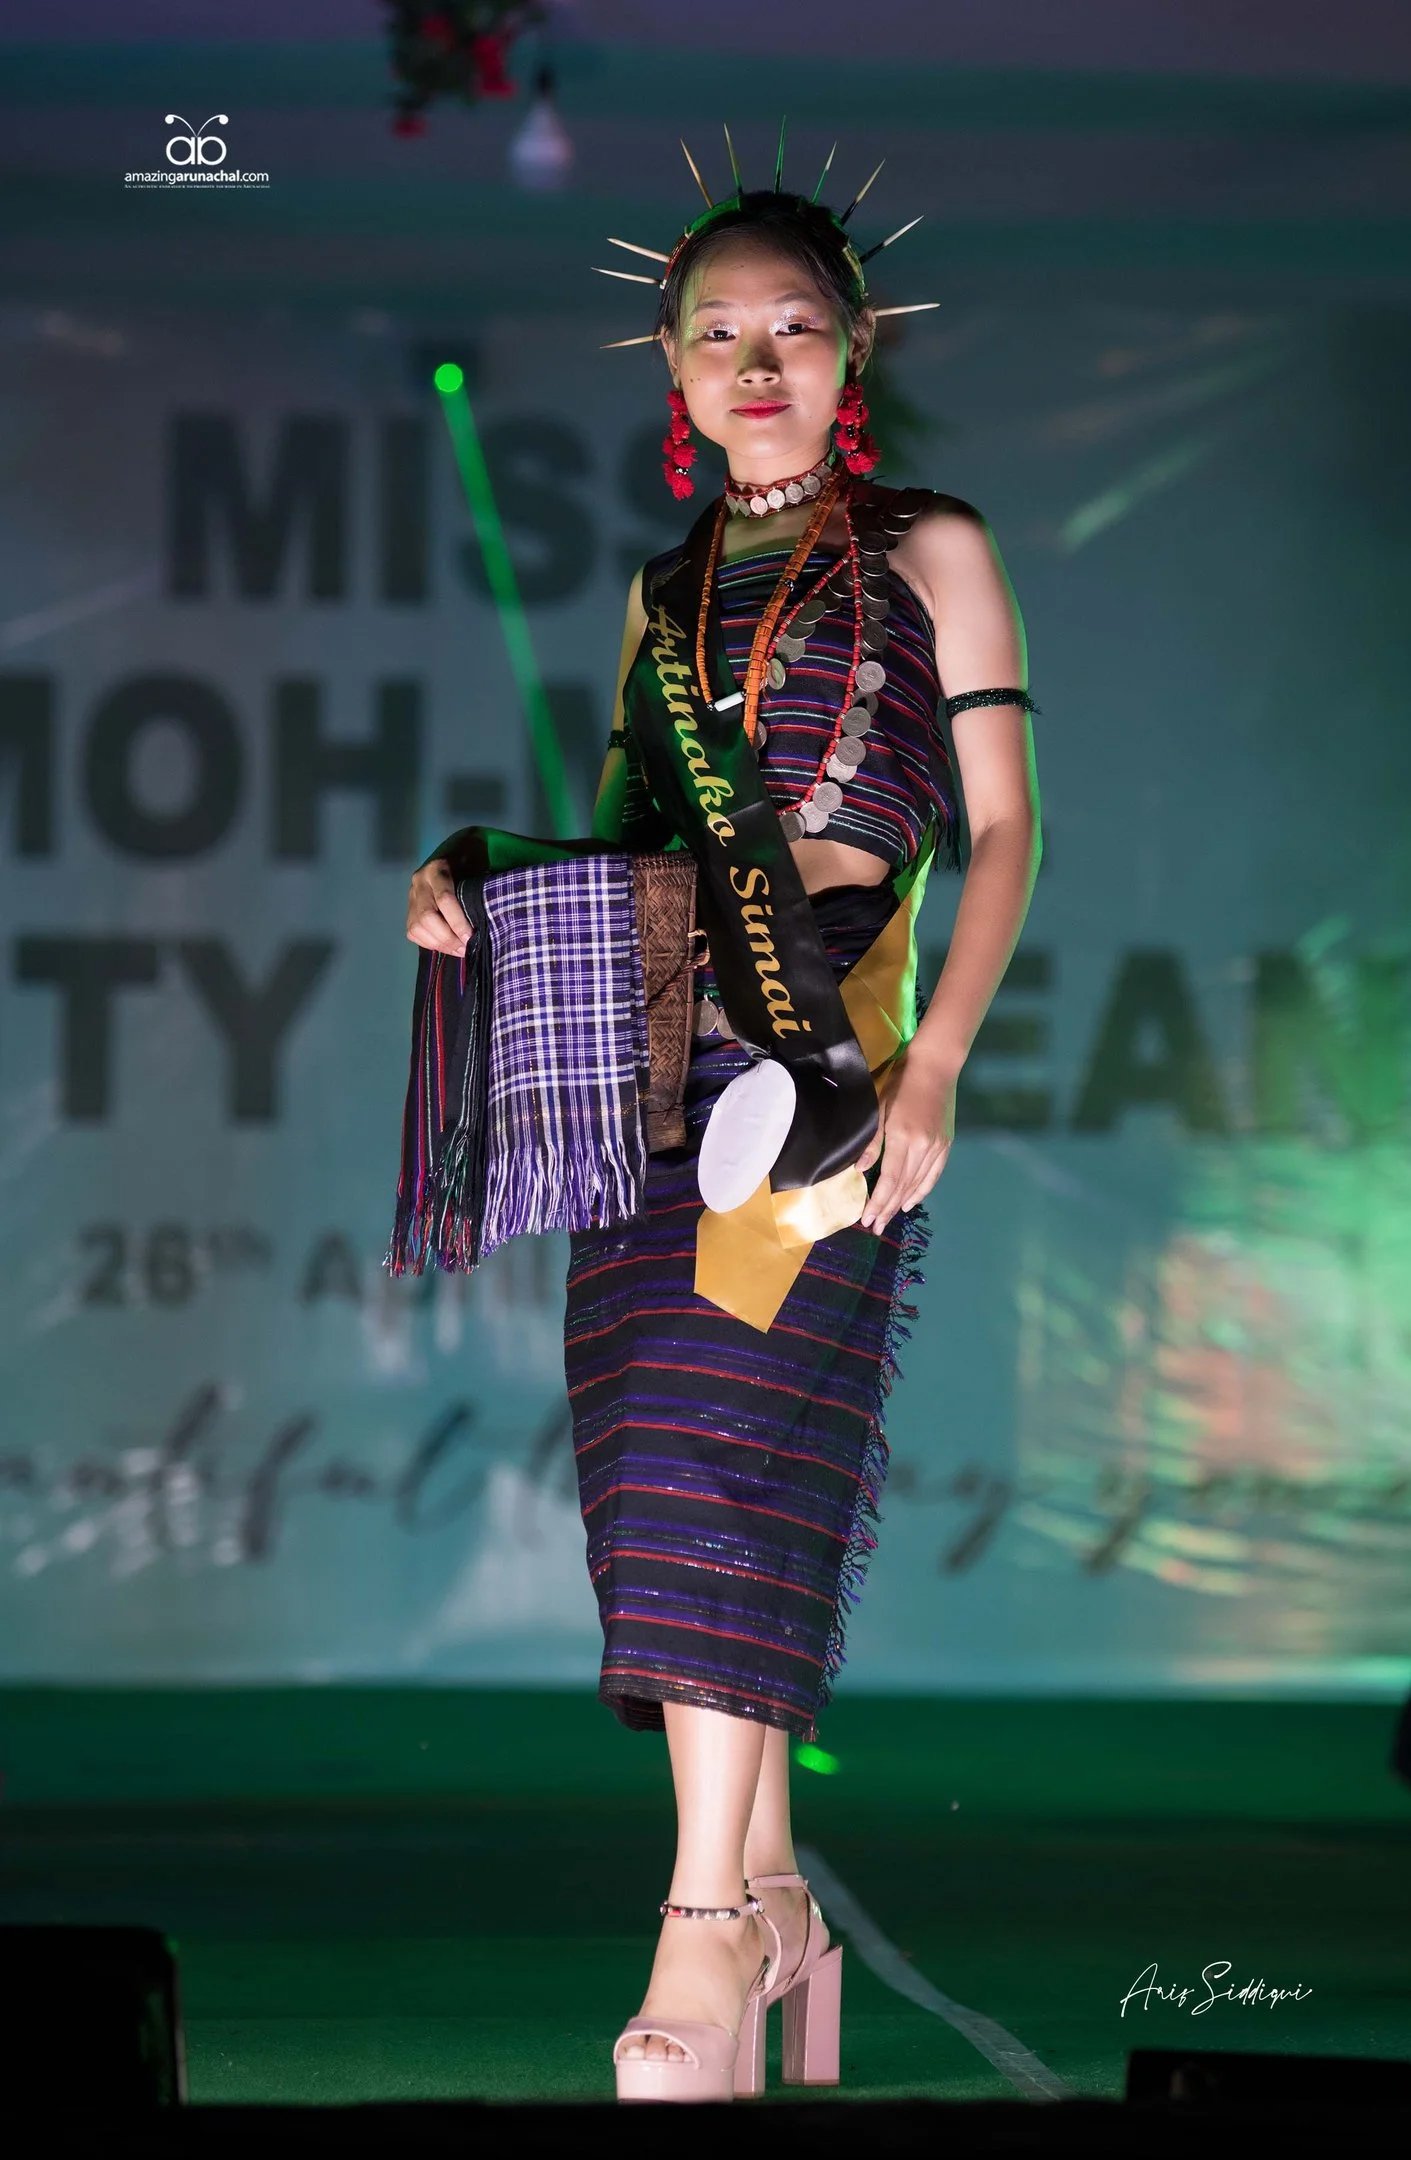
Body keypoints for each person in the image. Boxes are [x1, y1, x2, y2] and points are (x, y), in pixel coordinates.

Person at [404, 150, 1041, 2104]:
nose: (757, 364)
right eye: (718, 335)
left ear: (855, 351)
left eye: (794, 329)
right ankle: (769, 1901)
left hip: (832, 1061)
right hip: (657, 1058)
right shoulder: (662, 596)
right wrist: (477, 875)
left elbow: (1004, 829)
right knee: (659, 1464)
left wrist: (936, 1064)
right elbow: (628, 845)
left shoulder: (931, 546)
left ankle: (704, 1927)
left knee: (732, 1454)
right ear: (672, 369)